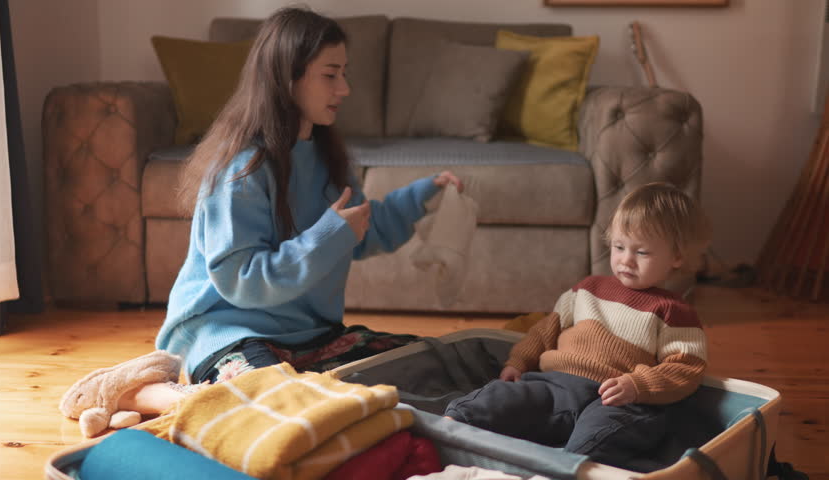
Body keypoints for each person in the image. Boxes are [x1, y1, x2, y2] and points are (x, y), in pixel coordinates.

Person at [60, 6, 462, 436]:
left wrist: (423, 196)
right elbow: (243, 281)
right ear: (288, 77)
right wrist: (330, 235)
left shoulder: (328, 158)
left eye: (344, 73)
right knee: (277, 407)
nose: (344, 88)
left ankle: (169, 396)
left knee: (427, 362)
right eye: (330, 74)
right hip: (229, 330)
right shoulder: (241, 169)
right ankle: (141, 393)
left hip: (309, 334)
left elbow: (358, 231)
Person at [444, 182, 710, 470]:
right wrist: (519, 362)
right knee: (499, 399)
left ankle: (571, 466)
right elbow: (546, 330)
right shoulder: (588, 288)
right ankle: (448, 429)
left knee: (595, 442)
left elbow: (685, 367)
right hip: (556, 384)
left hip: (614, 398)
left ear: (677, 257)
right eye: (619, 247)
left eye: (642, 253)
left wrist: (637, 385)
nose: (626, 260)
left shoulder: (675, 311)